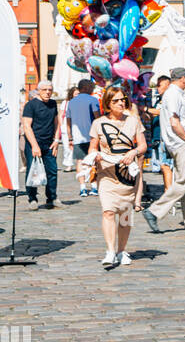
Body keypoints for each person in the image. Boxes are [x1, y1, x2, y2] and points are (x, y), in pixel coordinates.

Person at [88, 84, 147, 268]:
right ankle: (110, 251)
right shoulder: (98, 123)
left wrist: (133, 152)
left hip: (127, 175)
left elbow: (143, 145)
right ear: (108, 104)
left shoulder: (134, 121)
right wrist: (94, 155)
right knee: (108, 211)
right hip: (106, 174)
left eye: (123, 100)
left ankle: (122, 250)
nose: (121, 103)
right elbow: (92, 147)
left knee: (125, 216)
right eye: (116, 101)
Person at [144, 67, 185, 233]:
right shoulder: (174, 94)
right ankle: (154, 211)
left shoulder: (175, 94)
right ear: (184, 78)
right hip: (181, 142)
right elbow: (174, 121)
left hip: (180, 141)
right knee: (184, 181)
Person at [22, 79, 62, 208]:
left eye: (50, 90)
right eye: (44, 90)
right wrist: (34, 146)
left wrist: (56, 140)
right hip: (34, 143)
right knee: (32, 171)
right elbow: (27, 126)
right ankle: (32, 199)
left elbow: (56, 123)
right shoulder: (31, 105)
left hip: (49, 143)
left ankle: (52, 198)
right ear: (39, 91)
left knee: (52, 171)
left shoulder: (53, 104)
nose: (47, 92)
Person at [67, 78, 100, 197]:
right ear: (85, 88)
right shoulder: (93, 100)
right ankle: (94, 186)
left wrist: (70, 137)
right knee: (94, 161)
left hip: (77, 137)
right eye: (91, 87)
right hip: (92, 136)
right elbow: (98, 118)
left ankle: (82, 188)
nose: (93, 89)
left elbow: (68, 121)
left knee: (80, 161)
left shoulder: (71, 102)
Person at [149, 74, 174, 194]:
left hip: (165, 137)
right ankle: (167, 190)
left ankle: (169, 192)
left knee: (166, 166)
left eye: (160, 85)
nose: (157, 87)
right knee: (163, 167)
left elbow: (162, 112)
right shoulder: (159, 99)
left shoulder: (169, 99)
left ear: (168, 85)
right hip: (157, 136)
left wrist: (146, 109)